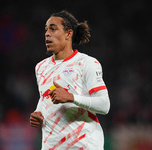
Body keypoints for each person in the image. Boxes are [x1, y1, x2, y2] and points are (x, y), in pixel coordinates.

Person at [30, 10, 110, 150]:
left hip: (84, 145)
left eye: (53, 29)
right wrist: (38, 112)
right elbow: (45, 97)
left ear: (68, 33)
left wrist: (71, 98)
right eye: (46, 29)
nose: (47, 33)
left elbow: (104, 105)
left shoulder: (86, 63)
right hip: (51, 146)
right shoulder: (40, 67)